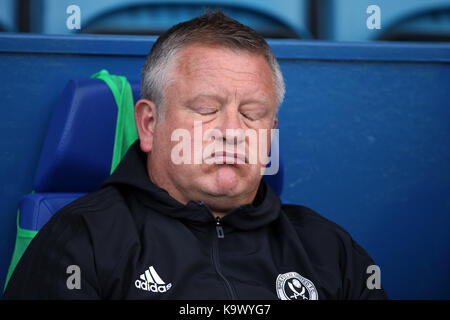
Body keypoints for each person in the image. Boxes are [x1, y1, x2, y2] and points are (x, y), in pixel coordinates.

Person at [4, 11, 387, 300]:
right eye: (206, 109)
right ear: (150, 125)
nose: (233, 132)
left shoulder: (329, 249)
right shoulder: (80, 241)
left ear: (270, 135)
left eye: (252, 114)